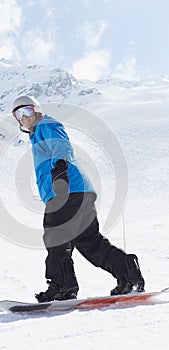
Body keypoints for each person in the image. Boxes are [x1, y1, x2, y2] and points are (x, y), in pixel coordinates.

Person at [11, 95, 145, 303]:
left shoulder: (47, 124)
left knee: (56, 237)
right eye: (19, 114)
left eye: (27, 111)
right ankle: (128, 273)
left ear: (37, 111)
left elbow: (62, 145)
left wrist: (60, 171)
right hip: (79, 192)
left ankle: (63, 286)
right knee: (90, 242)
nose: (24, 117)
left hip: (66, 191)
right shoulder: (36, 135)